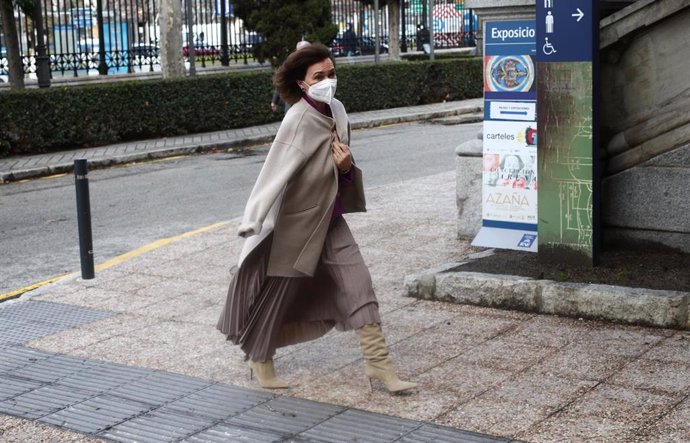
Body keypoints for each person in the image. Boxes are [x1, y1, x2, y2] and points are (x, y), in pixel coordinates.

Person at [218, 43, 417, 394]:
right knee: (277, 294)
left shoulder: (337, 110)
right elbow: (273, 173)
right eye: (319, 76)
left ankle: (379, 366)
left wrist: (346, 167)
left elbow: (341, 170)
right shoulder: (296, 120)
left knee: (360, 285)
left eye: (331, 73)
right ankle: (260, 359)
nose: (328, 81)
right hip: (296, 226)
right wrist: (253, 219)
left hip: (332, 220)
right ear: (302, 83)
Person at [271, 40, 311, 113]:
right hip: (293, 105)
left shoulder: (316, 64)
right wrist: (275, 100)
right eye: (299, 51)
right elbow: (282, 81)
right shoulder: (290, 63)